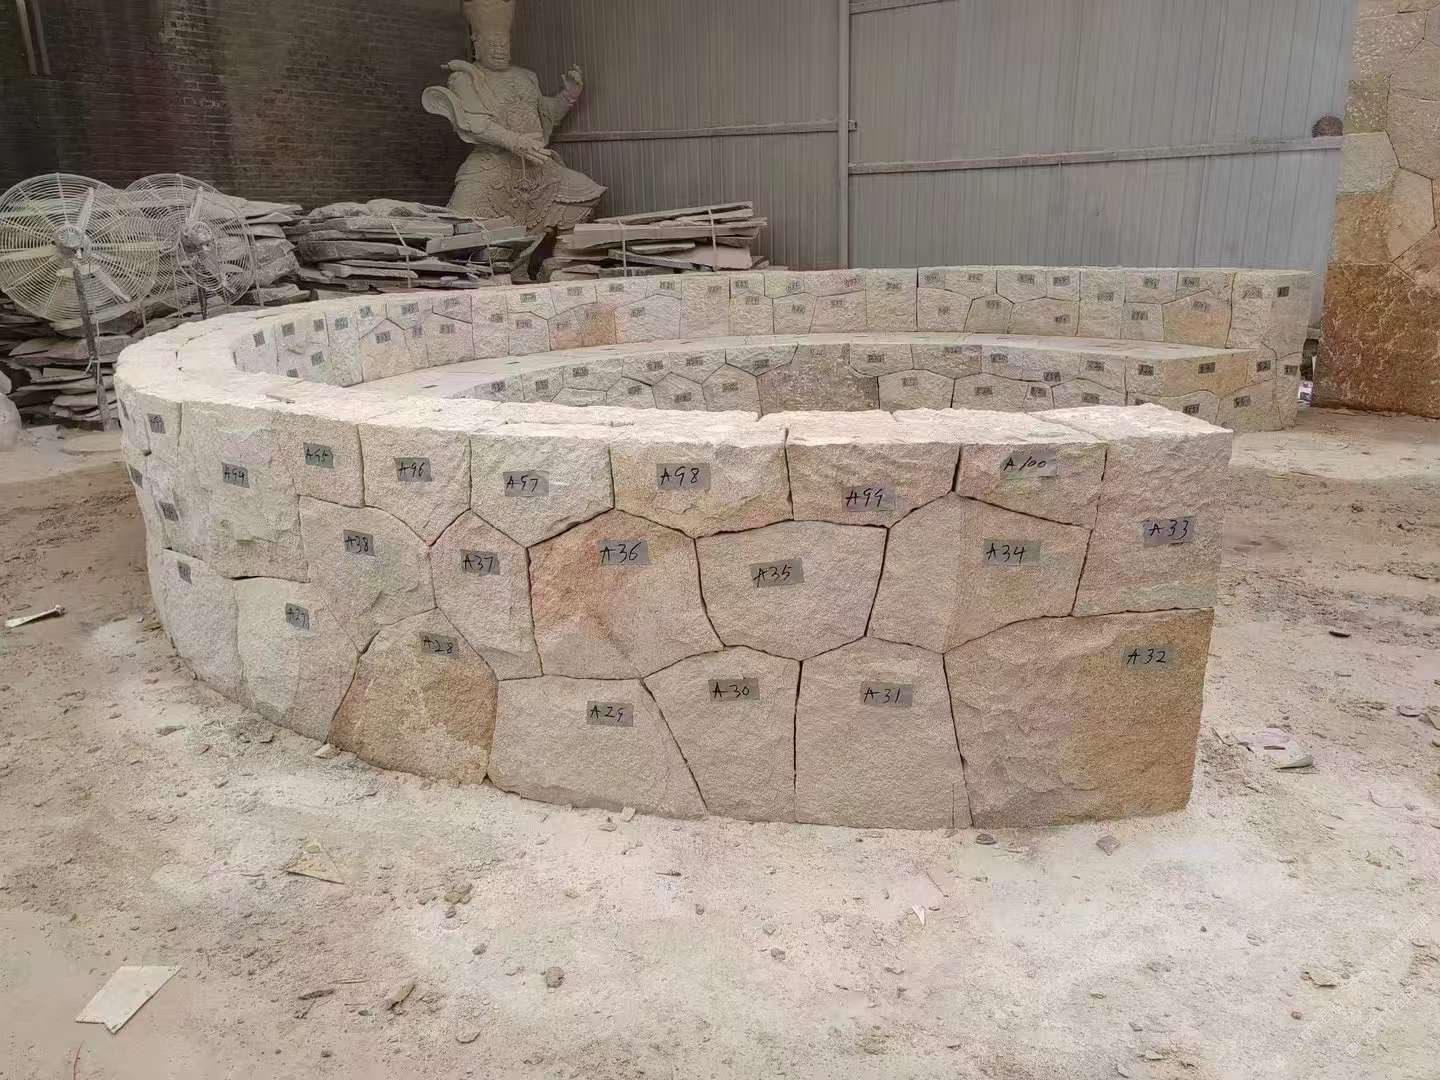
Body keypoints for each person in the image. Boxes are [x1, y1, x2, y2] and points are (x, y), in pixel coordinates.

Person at [423, 0, 605, 230]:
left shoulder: (526, 76)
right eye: (493, 44)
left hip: (537, 167)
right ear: (477, 45)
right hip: (492, 165)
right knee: (460, 223)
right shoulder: (465, 78)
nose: (500, 50)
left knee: (587, 193)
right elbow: (476, 124)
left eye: (504, 43)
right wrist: (515, 141)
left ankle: (553, 248)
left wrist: (567, 96)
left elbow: (545, 114)